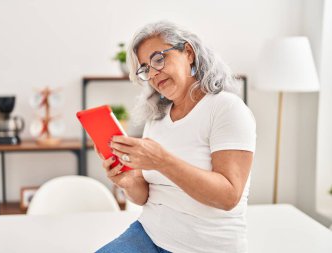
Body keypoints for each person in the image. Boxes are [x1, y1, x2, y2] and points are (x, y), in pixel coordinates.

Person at [96, 21, 256, 253]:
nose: (152, 73)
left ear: (189, 53)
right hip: (149, 234)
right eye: (145, 68)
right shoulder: (156, 118)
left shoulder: (226, 108)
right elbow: (145, 197)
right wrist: (128, 182)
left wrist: (162, 160)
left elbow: (228, 196)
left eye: (159, 59)